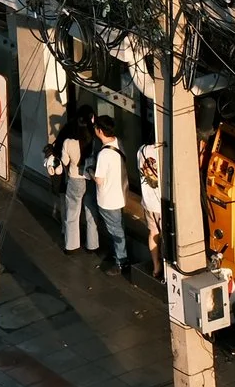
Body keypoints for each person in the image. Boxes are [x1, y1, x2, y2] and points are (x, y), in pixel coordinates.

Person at [92, 119, 130, 273]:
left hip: (108, 200)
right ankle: (119, 255)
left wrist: (89, 171)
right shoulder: (118, 143)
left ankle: (121, 261)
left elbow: (99, 180)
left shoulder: (104, 154)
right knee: (119, 227)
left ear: (100, 131)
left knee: (116, 231)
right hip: (121, 194)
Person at [54, 118, 92, 255]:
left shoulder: (68, 143)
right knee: (90, 213)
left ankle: (72, 246)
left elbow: (64, 161)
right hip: (89, 180)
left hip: (75, 180)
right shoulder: (91, 142)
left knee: (72, 214)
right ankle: (92, 245)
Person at [137, 139, 165, 277]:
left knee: (153, 233)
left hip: (148, 202)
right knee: (167, 237)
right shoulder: (163, 152)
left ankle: (156, 266)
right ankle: (167, 265)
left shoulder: (141, 150)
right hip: (161, 204)